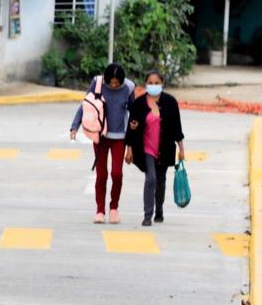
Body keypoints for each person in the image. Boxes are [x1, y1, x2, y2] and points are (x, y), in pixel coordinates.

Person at [70, 63, 136, 224]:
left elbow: (134, 114)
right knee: (101, 174)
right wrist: (74, 126)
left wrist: (131, 146)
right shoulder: (97, 83)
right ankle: (100, 210)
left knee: (117, 174)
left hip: (119, 137)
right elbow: (85, 105)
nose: (113, 85)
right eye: (111, 82)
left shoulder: (129, 87)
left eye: (116, 82)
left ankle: (114, 208)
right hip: (100, 136)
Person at [125, 70, 186, 226]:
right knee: (150, 178)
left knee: (161, 181)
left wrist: (181, 149)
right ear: (145, 84)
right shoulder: (138, 104)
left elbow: (177, 127)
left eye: (156, 83)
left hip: (164, 148)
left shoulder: (170, 102)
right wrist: (129, 149)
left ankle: (159, 209)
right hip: (145, 149)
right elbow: (131, 128)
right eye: (150, 83)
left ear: (162, 83)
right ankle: (147, 215)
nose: (153, 86)